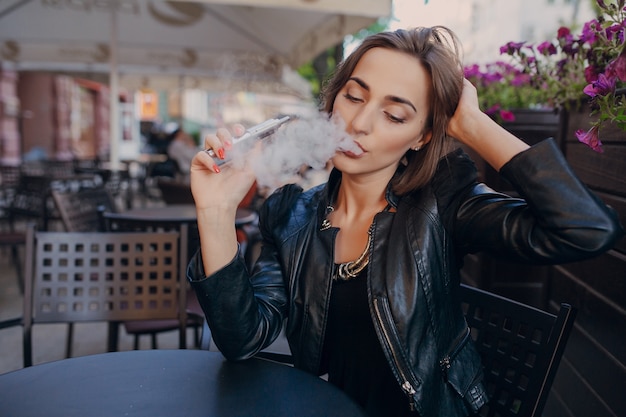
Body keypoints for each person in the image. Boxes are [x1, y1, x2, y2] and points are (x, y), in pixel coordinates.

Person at [186, 26, 623, 417]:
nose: (358, 123)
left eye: (394, 115)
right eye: (354, 96)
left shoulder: (443, 202)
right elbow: (243, 339)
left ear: (422, 136)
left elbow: (586, 230)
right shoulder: (291, 214)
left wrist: (471, 122)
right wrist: (216, 212)